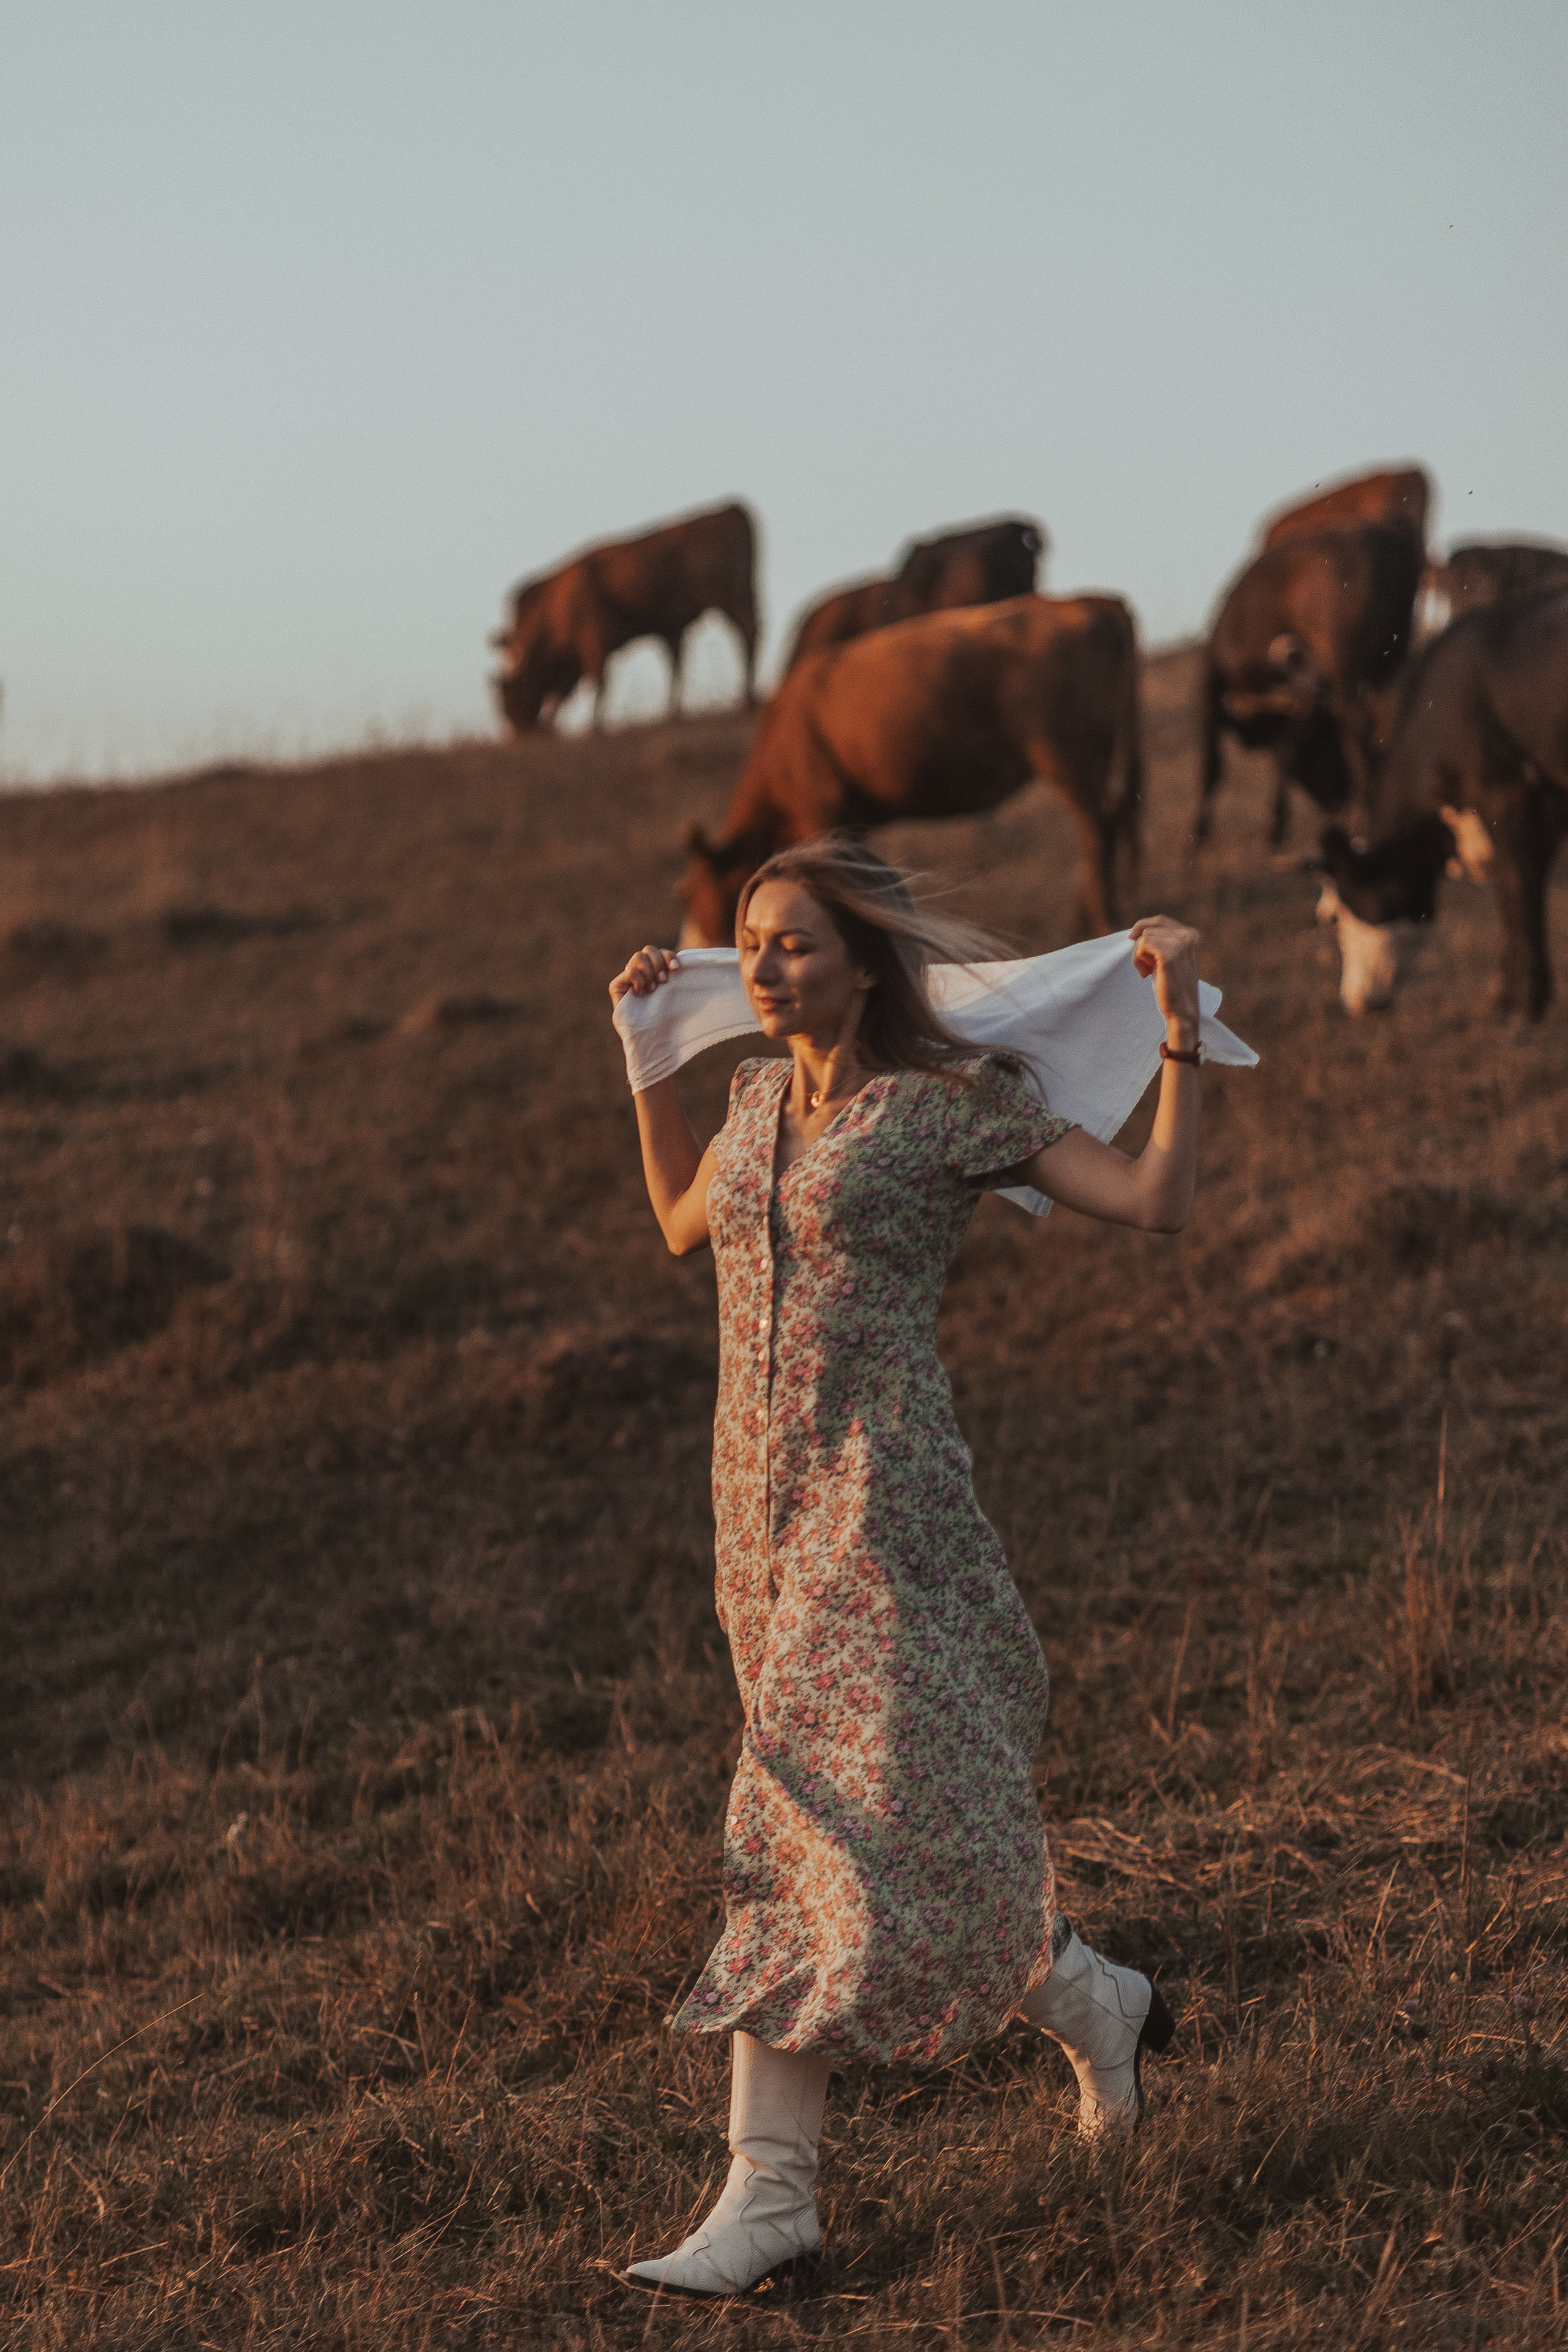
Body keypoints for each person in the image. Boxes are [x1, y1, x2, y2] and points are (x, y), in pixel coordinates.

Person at [606, 836, 1203, 2299]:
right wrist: (645, 1064)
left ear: (867, 962)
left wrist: (1179, 1031)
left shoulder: (943, 1110)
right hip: (754, 1520)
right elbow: (681, 1226)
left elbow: (1149, 1201)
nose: (760, 966)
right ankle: (1097, 2001)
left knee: (801, 1829)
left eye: (794, 943)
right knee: (894, 1831)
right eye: (748, 941)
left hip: (883, 1514)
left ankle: (770, 2199)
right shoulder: (749, 1101)